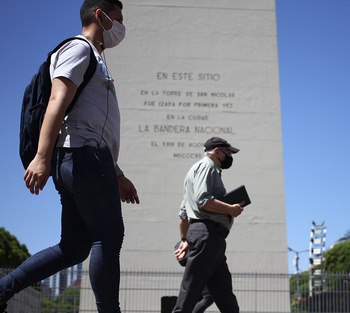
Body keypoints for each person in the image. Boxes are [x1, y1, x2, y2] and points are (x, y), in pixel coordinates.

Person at [0, 1, 139, 312]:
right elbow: (56, 102)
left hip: (88, 159)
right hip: (83, 158)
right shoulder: (79, 50)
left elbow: (90, 123)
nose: (121, 26)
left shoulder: (97, 59)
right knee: (108, 236)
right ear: (100, 16)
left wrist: (116, 173)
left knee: (74, 248)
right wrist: (41, 157)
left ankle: (2, 291)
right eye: (117, 19)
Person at [173, 137, 244, 313]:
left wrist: (184, 239)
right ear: (218, 151)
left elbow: (184, 212)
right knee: (190, 290)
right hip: (208, 235)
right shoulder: (208, 166)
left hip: (211, 239)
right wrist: (230, 209)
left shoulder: (194, 172)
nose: (230, 156)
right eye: (228, 153)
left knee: (224, 294)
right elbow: (203, 200)